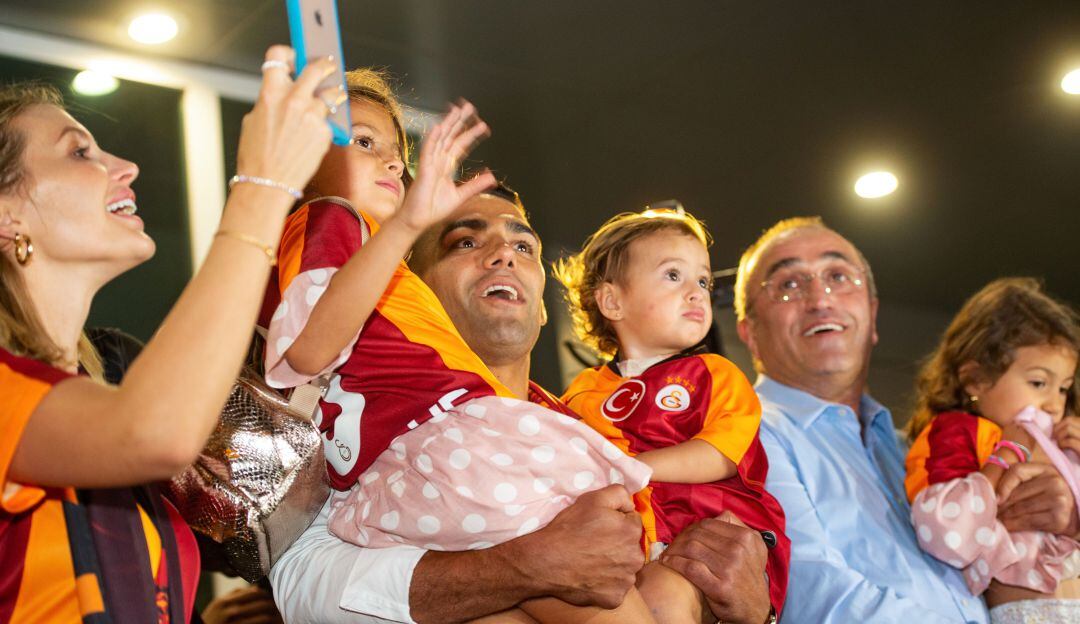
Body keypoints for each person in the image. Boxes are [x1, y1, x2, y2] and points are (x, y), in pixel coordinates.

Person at [259, 68, 656, 622]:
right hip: (447, 461)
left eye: (524, 245)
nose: (503, 256)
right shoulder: (333, 220)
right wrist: (401, 228)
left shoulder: (558, 417)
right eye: (363, 142)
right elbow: (305, 346)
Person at [269, 187, 772, 623]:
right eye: (466, 242)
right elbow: (299, 585)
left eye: (523, 245)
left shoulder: (596, 431)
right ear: (411, 293)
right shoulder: (366, 433)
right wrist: (516, 570)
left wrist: (752, 612)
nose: (502, 254)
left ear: (542, 310)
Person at [0, 45, 334, 621]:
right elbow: (151, 431)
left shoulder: (108, 381)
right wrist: (263, 186)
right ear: (7, 217)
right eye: (80, 152)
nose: (124, 166)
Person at [733, 216, 1080, 623]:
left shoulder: (914, 446)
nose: (820, 298)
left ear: (873, 314)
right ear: (749, 332)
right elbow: (815, 594)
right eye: (788, 284)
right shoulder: (743, 435)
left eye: (839, 276)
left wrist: (1059, 513)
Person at [554, 207, 789, 623]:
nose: (697, 292)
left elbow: (720, 453)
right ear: (612, 300)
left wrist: (633, 468)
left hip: (702, 536)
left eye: (702, 279)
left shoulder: (715, 374)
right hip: (626, 543)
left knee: (665, 598)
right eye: (673, 275)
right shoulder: (583, 392)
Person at [905, 277, 1080, 621]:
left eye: (1063, 388)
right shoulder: (958, 433)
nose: (1053, 404)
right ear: (975, 380)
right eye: (1038, 383)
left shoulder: (1064, 441)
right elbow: (943, 534)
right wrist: (1006, 455)